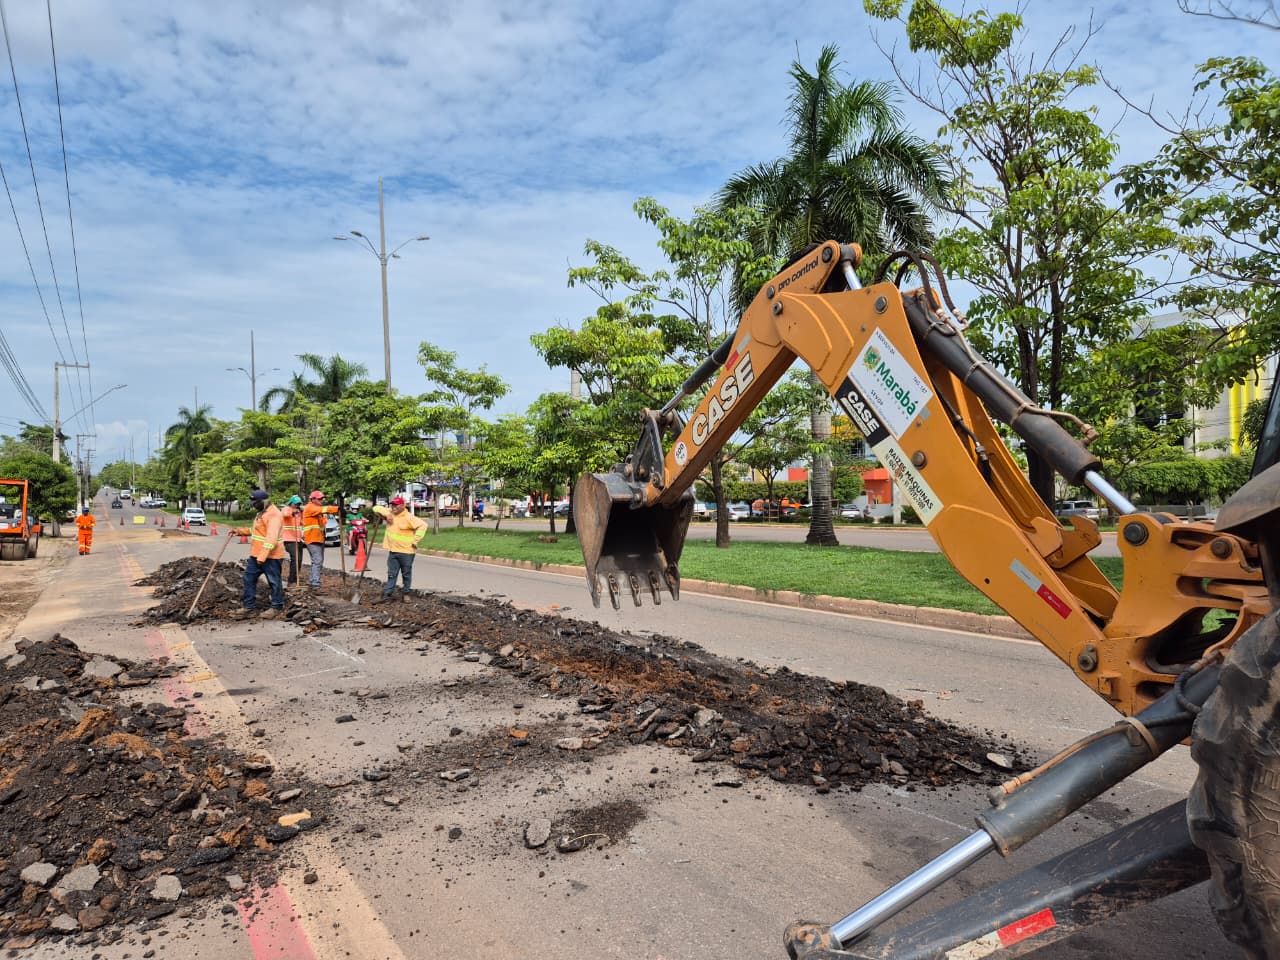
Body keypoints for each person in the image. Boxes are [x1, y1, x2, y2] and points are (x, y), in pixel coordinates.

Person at [231, 489, 285, 619]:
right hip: (256, 555)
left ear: (264, 501)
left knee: (274, 581)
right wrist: (239, 531)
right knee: (248, 578)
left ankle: (276, 606)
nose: (253, 505)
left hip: (271, 556)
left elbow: (271, 538)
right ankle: (249, 607)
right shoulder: (261, 513)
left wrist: (262, 557)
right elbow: (257, 531)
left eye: (255, 503)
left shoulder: (274, 515)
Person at [372, 495, 427, 602]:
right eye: (392, 505)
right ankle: (387, 595)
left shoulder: (409, 517)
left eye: (396, 505)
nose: (393, 507)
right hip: (393, 551)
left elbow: (423, 525)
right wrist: (387, 514)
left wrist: (416, 540)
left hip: (407, 551)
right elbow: (375, 508)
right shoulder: (390, 512)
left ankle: (406, 594)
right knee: (391, 574)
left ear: (403, 506)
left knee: (406, 573)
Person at [301, 490, 327, 591]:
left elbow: (323, 523)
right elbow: (326, 510)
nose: (322, 500)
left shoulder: (319, 509)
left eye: (322, 498)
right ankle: (315, 583)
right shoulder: (310, 507)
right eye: (320, 498)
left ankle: (313, 581)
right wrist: (337, 508)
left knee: (317, 561)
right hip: (312, 539)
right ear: (313, 499)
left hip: (319, 538)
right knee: (317, 560)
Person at [281, 495, 304, 585]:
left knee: (299, 560)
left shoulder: (299, 512)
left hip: (298, 539)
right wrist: (293, 512)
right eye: (296, 503)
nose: (297, 505)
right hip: (288, 539)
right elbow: (285, 515)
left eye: (299, 504)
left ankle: (295, 578)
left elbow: (302, 523)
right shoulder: (286, 509)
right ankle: (292, 580)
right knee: (295, 558)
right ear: (291, 503)